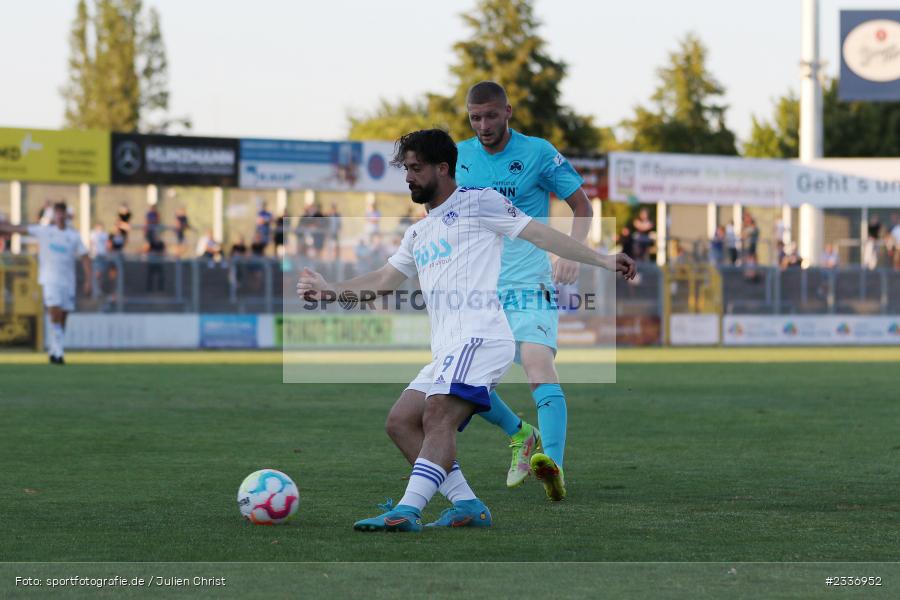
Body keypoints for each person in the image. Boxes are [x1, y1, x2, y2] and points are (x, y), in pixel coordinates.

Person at [296, 129, 634, 531]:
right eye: (406, 168)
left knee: (439, 413)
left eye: (416, 168)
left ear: (443, 168)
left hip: (483, 337)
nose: (408, 177)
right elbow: (384, 278)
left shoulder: (480, 202)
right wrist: (330, 291)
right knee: (401, 421)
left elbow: (540, 234)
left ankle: (407, 510)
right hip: (449, 348)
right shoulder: (418, 232)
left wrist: (600, 259)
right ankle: (467, 504)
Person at [449, 80, 594, 499]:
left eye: (491, 115)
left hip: (530, 283)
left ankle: (554, 465)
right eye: (475, 117)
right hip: (479, 289)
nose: (483, 124)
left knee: (537, 365)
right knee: (465, 384)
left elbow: (582, 206)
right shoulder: (458, 157)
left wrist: (573, 252)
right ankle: (520, 434)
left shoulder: (538, 153)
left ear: (508, 111)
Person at [0, 202, 92, 364]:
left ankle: (55, 348)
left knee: (63, 317)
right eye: (57, 213)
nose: (59, 216)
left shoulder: (73, 236)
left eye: (62, 213)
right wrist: (4, 227)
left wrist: (88, 280)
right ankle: (59, 352)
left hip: (68, 282)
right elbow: (19, 229)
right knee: (54, 311)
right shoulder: (45, 231)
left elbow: (85, 257)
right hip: (50, 280)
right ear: (53, 215)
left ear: (66, 215)